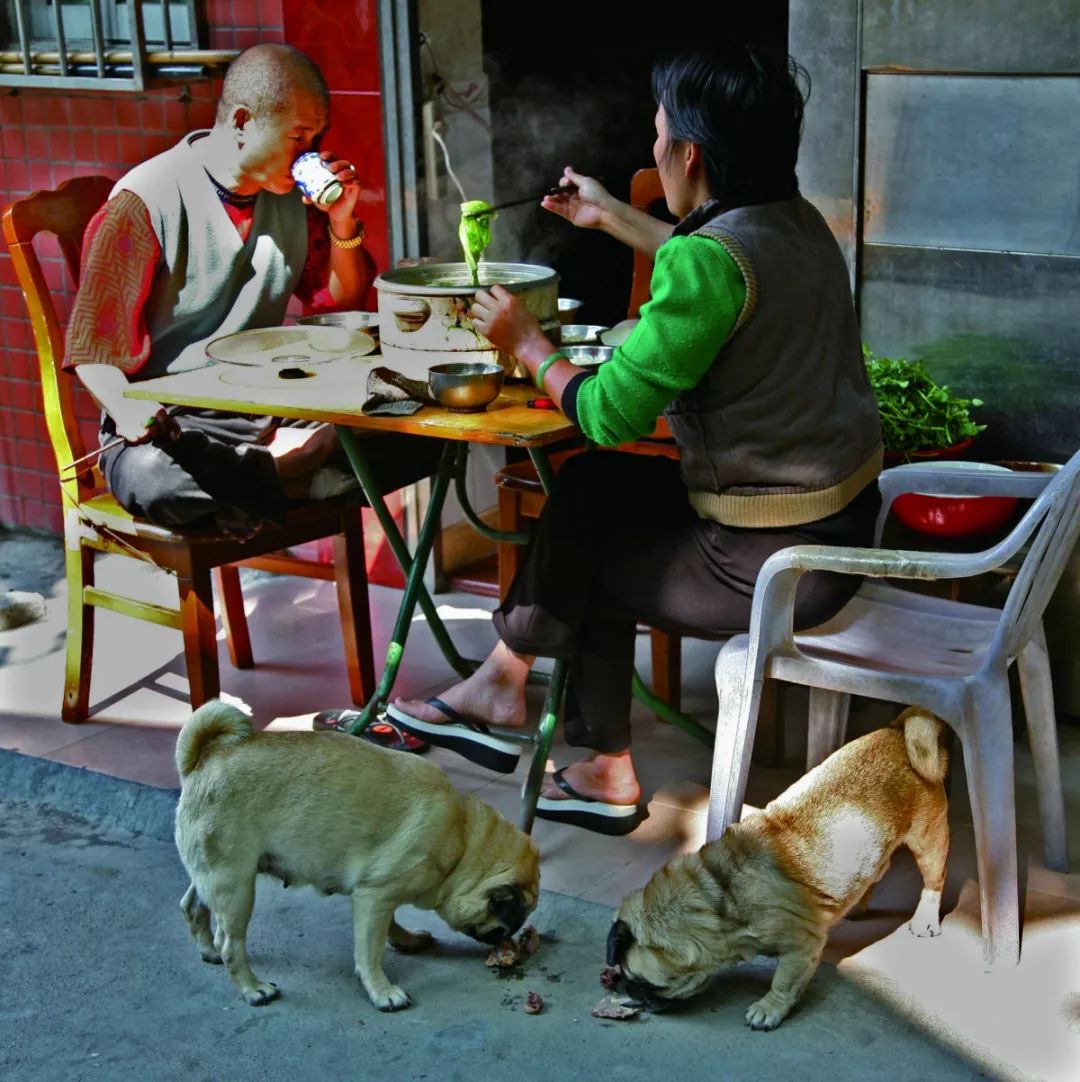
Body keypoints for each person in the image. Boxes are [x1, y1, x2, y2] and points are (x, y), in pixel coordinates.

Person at [387, 43, 884, 834]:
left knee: (590, 554)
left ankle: (580, 748)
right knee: (591, 490)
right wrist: (611, 214)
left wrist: (526, 344)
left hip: (772, 562)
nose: (652, 149)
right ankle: (522, 696)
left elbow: (606, 413)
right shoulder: (796, 226)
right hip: (841, 530)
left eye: (658, 137)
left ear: (688, 154)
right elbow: (718, 272)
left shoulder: (715, 262)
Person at [65, 42, 441, 542]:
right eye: (298, 136)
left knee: (429, 433)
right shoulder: (144, 202)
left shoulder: (286, 195)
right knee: (154, 482)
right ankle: (306, 470)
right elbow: (92, 350)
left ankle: (259, 490)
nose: (308, 151)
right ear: (242, 122)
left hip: (272, 403)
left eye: (316, 137)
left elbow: (340, 305)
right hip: (177, 427)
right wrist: (132, 412)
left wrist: (341, 220)